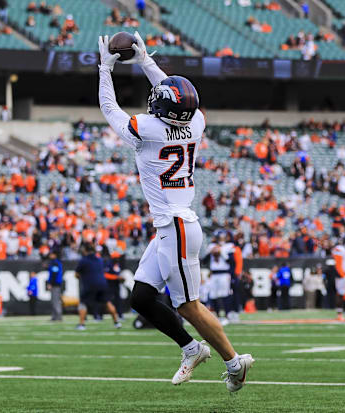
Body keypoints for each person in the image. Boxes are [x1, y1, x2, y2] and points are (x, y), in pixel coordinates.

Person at [98, 32, 253, 393]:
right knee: (141, 298)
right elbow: (173, 98)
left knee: (189, 307)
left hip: (176, 226)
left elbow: (109, 109)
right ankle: (191, 349)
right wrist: (146, 62)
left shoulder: (147, 130)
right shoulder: (196, 122)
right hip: (174, 224)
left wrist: (106, 68)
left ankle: (234, 364)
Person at [75, 244, 121, 330]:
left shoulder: (83, 260)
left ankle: (81, 324)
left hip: (90, 284)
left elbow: (77, 274)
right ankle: (117, 322)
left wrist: (83, 276)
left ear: (85, 250)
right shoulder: (100, 259)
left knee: (83, 303)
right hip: (102, 284)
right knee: (107, 302)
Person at [203, 244, 234, 325]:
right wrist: (210, 252)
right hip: (214, 274)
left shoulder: (228, 247)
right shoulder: (211, 247)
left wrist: (222, 252)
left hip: (224, 274)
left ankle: (227, 314)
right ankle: (217, 315)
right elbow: (204, 261)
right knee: (213, 295)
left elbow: (231, 261)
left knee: (224, 294)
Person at [104, 252, 124, 320]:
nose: (117, 259)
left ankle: (120, 315)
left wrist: (121, 279)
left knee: (118, 300)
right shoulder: (108, 264)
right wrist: (116, 277)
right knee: (108, 300)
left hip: (116, 285)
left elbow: (117, 274)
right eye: (116, 257)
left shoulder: (117, 264)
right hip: (109, 285)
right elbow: (105, 275)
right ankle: (100, 315)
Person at [46, 249, 64, 321]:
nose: (50, 255)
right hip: (55, 284)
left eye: (51, 254)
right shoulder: (54, 262)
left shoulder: (55, 263)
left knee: (56, 301)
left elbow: (54, 274)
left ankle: (58, 316)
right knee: (54, 301)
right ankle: (54, 316)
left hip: (55, 284)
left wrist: (50, 283)